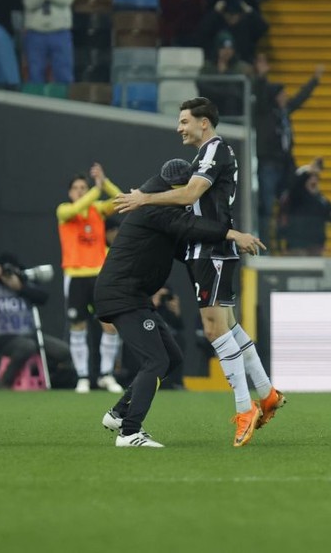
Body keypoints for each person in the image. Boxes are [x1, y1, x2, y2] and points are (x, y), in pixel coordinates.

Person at [114, 97, 287, 448]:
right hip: (208, 250)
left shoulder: (214, 150)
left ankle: (245, 409)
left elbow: (191, 193)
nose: (179, 128)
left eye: (184, 121)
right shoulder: (207, 154)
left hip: (212, 251)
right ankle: (266, 393)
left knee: (213, 329)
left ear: (203, 123)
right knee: (229, 327)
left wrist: (145, 198)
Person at [96, 159, 266, 448]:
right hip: (122, 295)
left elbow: (186, 247)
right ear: (174, 187)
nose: (189, 196)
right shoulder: (155, 207)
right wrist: (232, 234)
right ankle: (129, 432)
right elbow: (188, 226)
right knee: (156, 360)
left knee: (172, 357)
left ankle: (119, 413)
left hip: (133, 295)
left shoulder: (157, 204)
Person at [56, 163, 124, 394]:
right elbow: (76, 208)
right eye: (76, 188)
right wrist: (96, 189)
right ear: (69, 192)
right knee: (78, 326)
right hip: (75, 275)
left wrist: (104, 182)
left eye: (83, 187)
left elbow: (120, 200)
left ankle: (106, 375)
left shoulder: (98, 209)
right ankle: (83, 376)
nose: (80, 191)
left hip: (98, 274)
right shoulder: (64, 211)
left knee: (110, 324)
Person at [0, 253, 73, 389]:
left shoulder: (23, 283)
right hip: (4, 338)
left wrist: (20, 288)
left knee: (63, 351)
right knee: (27, 347)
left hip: (30, 335)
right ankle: (5, 381)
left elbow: (43, 297)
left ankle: (51, 379)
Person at [253, 62, 323, 244]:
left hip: (286, 163)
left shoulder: (284, 112)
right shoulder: (264, 113)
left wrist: (314, 81)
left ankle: (285, 238)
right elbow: (259, 93)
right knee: (267, 205)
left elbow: (300, 98)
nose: (286, 96)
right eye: (282, 94)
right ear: (275, 97)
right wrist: (261, 77)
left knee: (288, 201)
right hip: (269, 163)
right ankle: (264, 243)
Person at [282, 159, 331, 256]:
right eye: (311, 178)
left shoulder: (322, 199)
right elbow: (294, 185)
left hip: (316, 243)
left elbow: (330, 214)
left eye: (316, 178)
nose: (314, 180)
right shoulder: (297, 196)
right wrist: (308, 171)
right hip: (297, 243)